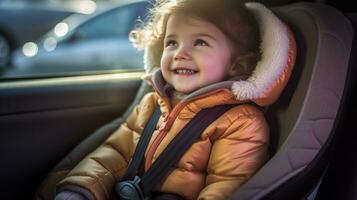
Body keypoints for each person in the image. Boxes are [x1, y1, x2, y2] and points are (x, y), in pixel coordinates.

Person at [55, 0, 296, 199]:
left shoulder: (240, 123)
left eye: (200, 42)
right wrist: (81, 189)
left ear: (237, 64)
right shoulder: (151, 104)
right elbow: (114, 153)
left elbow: (227, 186)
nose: (180, 53)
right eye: (172, 42)